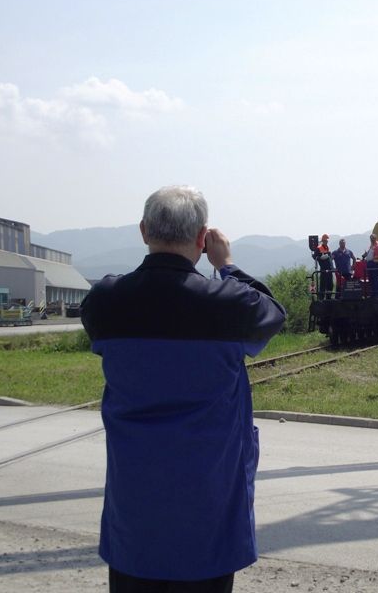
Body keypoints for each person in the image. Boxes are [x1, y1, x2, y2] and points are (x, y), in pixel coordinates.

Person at [80, 185, 286, 593]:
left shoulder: (104, 301)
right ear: (201, 238)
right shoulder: (228, 305)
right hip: (208, 510)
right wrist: (226, 265)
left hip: (134, 509)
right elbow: (272, 312)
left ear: (143, 231)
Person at [363, 233, 378, 297]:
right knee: (371, 280)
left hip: (376, 265)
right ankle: (373, 294)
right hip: (370, 265)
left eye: (373, 238)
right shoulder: (371, 246)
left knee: (377, 280)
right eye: (371, 238)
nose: (371, 240)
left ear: (375, 238)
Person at [312, 233, 333, 300]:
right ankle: (321, 299)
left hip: (329, 269)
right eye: (326, 240)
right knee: (323, 285)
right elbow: (315, 257)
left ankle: (328, 298)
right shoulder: (319, 248)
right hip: (324, 269)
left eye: (327, 240)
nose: (327, 241)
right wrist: (321, 257)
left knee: (330, 285)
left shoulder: (327, 247)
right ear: (323, 240)